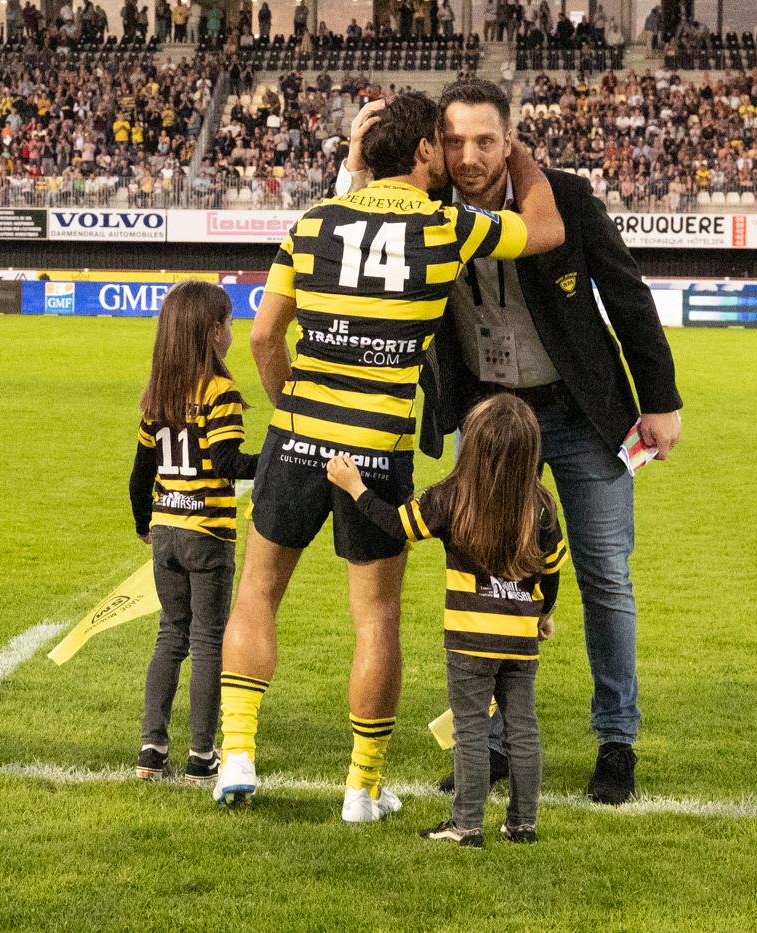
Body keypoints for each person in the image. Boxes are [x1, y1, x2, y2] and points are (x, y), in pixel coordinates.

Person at [212, 92, 565, 823]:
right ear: (426, 149)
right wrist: (517, 151)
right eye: (443, 143)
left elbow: (263, 337)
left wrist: (291, 413)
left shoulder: (313, 221)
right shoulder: (447, 226)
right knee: (375, 619)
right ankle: (361, 788)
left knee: (257, 593)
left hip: (297, 435)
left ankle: (238, 753)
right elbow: (545, 229)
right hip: (376, 449)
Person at [334, 78, 681, 805]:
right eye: (454, 140)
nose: (469, 156)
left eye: (485, 141)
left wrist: (660, 400)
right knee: (488, 575)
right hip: (491, 423)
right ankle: (490, 744)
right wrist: (359, 160)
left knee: (604, 575)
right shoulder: (424, 206)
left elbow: (627, 295)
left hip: (581, 414)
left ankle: (616, 741)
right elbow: (352, 229)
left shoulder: (565, 198)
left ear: (509, 140)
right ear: (435, 145)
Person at [326, 393, 567, 847]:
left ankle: (466, 825)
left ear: (471, 445)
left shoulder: (450, 496)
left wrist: (355, 487)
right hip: (520, 640)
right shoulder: (542, 506)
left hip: (469, 639)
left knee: (471, 730)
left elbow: (396, 525)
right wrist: (542, 615)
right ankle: (523, 824)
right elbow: (552, 572)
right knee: (523, 729)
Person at [128, 281, 259, 786]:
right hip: (208, 533)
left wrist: (144, 525)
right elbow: (229, 464)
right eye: (229, 323)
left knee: (170, 636)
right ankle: (202, 755)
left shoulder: (158, 394)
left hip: (165, 530)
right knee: (207, 642)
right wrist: (278, 457)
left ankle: (151, 749)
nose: (232, 331)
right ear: (213, 332)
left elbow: (139, 475)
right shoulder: (220, 393)